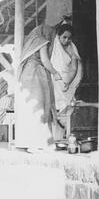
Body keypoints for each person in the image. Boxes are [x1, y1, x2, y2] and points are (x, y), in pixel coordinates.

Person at [15, 24, 63, 152]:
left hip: (26, 77)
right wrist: (55, 73)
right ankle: (38, 143)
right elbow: (45, 61)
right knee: (39, 108)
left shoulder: (30, 41)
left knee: (29, 109)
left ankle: (25, 142)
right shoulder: (42, 41)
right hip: (36, 75)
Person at [50, 24, 82, 112]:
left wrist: (68, 82)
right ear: (58, 36)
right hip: (54, 79)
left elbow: (74, 68)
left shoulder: (72, 48)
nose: (67, 40)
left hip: (66, 81)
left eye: (69, 38)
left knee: (66, 105)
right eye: (64, 37)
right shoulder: (53, 46)